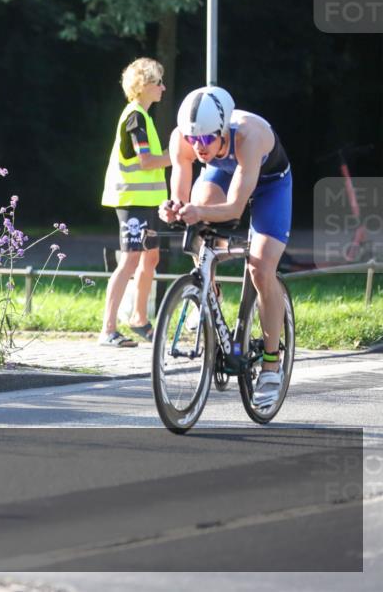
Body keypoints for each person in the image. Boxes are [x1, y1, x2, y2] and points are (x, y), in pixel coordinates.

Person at [159, 86, 292, 406]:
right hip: (224, 173)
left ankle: (272, 366)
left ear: (222, 130)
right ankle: (208, 291)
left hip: (270, 186)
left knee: (260, 268)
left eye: (206, 140)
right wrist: (173, 209)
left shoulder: (249, 136)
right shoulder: (185, 138)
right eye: (194, 140)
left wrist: (198, 212)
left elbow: (234, 207)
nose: (199, 147)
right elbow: (181, 195)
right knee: (197, 209)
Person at [99, 58, 171, 347]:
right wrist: (177, 154)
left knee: (150, 258)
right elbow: (145, 161)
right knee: (129, 260)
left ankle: (139, 319)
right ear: (143, 86)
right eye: (158, 83)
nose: (163, 88)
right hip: (132, 201)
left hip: (148, 202)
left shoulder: (144, 116)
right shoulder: (135, 117)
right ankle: (107, 330)